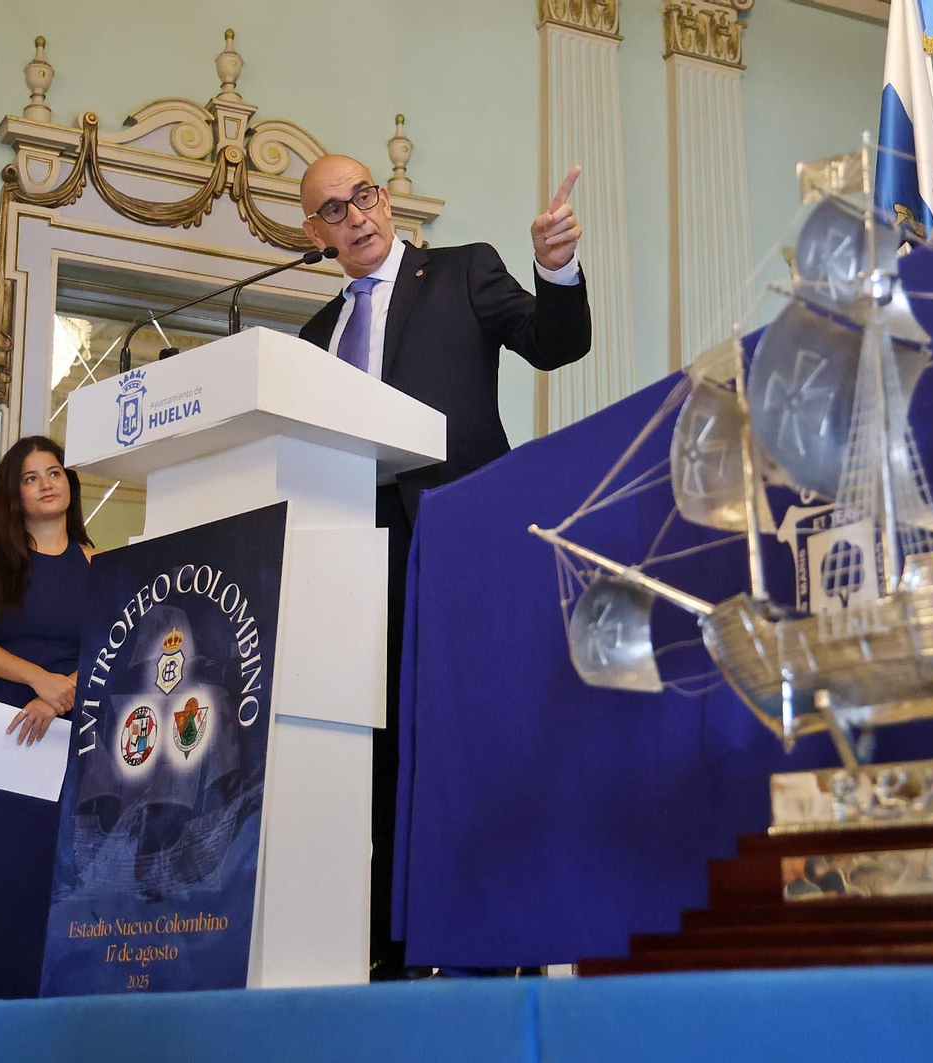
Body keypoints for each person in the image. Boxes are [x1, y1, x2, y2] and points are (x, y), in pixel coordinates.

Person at [297, 154, 591, 977]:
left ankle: (503, 940)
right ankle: (393, 949)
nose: (355, 216)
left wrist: (557, 267)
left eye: (364, 196)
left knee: (483, 737)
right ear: (314, 234)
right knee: (382, 752)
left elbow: (555, 344)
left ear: (384, 200)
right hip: (357, 558)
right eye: (332, 210)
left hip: (465, 545)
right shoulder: (313, 338)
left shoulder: (462, 272)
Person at [0, 435, 94, 999]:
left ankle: (47, 1014)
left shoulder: (95, 560)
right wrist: (38, 680)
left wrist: (59, 696)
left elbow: (114, 646)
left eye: (54, 472)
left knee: (50, 875)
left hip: (68, 734)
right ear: (14, 494)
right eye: (31, 477)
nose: (47, 483)